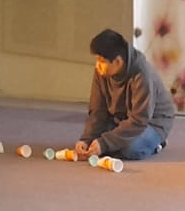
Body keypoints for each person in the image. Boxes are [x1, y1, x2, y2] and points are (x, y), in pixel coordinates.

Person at [75, 27, 175, 162]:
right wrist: (86, 140)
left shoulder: (142, 74)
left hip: (152, 122)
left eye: (101, 61)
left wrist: (104, 143)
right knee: (97, 141)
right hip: (122, 119)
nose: (98, 65)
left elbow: (139, 120)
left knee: (130, 149)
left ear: (117, 61)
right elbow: (97, 110)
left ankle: (158, 143)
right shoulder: (102, 71)